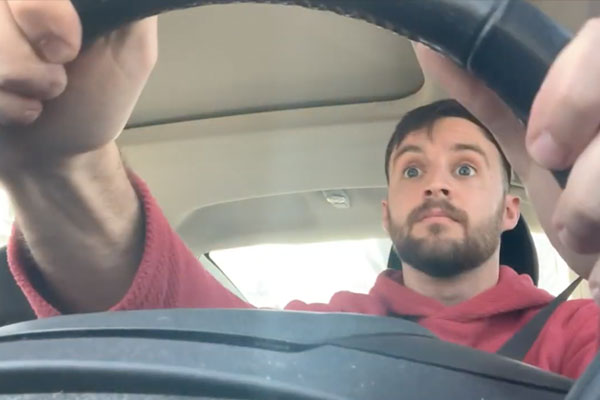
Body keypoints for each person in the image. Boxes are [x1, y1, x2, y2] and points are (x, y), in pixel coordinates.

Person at [1, 0, 600, 379]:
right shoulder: (316, 331)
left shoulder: (577, 332)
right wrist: (63, 167)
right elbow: (174, 325)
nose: (436, 182)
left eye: (466, 169)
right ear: (388, 215)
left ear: (511, 210)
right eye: (412, 170)